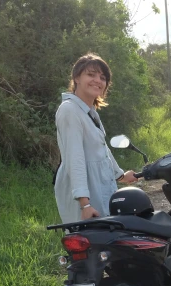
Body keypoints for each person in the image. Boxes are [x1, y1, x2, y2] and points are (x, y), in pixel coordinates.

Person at [54, 53, 137, 224]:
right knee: (90, 245)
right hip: (83, 194)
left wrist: (120, 176)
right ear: (76, 77)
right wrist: (85, 204)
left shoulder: (90, 112)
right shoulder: (70, 110)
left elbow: (101, 149)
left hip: (98, 187)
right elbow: (74, 159)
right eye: (90, 75)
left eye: (102, 77)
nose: (97, 80)